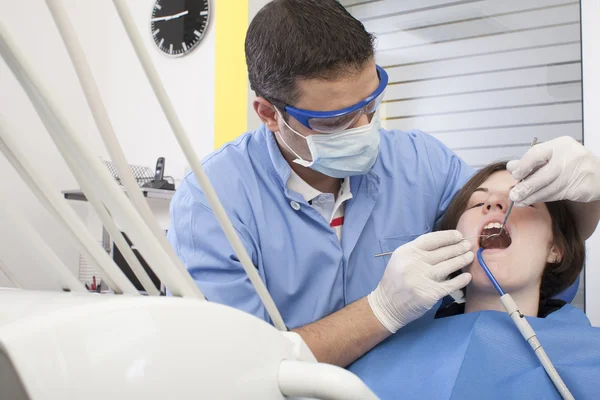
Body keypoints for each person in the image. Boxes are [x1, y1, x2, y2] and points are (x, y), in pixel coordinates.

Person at [167, 0, 600, 367]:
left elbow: (529, 260)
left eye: (371, 103)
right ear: (268, 113)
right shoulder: (211, 204)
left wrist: (588, 196)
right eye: (336, 120)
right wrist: (381, 310)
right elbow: (233, 366)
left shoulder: (420, 163)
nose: (364, 127)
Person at [347, 162, 600, 399]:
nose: (492, 203)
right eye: (477, 202)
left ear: (555, 249)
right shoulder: (385, 356)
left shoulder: (590, 357)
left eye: (522, 201)